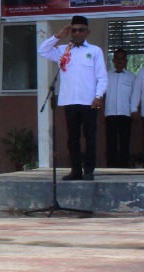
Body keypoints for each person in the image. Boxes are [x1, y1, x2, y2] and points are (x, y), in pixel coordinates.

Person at [37, 16, 108, 180]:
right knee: (72, 138)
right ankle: (76, 170)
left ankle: (89, 170)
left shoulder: (94, 51)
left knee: (90, 137)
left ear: (87, 32)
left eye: (80, 30)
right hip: (69, 101)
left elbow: (102, 77)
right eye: (74, 30)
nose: (77, 33)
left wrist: (98, 96)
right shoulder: (63, 50)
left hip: (89, 101)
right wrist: (58, 35)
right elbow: (42, 51)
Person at [102, 48, 136, 169]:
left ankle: (123, 167)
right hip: (110, 113)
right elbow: (102, 94)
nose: (120, 61)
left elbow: (135, 96)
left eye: (122, 58)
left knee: (124, 142)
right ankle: (111, 166)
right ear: (113, 60)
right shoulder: (106, 76)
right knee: (110, 142)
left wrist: (134, 110)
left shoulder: (132, 77)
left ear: (126, 61)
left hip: (126, 113)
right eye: (117, 58)